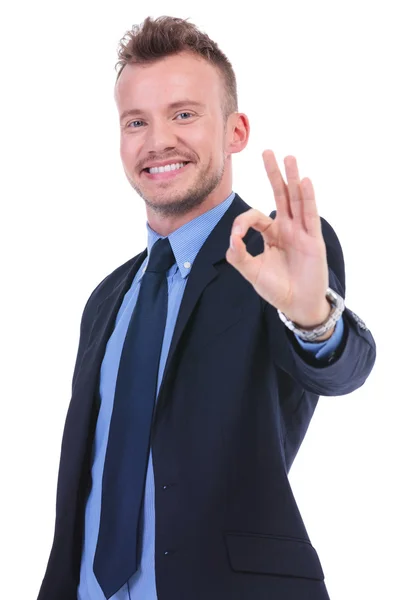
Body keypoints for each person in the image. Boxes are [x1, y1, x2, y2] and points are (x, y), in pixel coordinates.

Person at [37, 15, 376, 600]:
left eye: (184, 114)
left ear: (235, 130)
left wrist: (314, 318)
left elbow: (343, 369)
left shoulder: (275, 254)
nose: (158, 140)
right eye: (136, 121)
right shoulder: (106, 299)